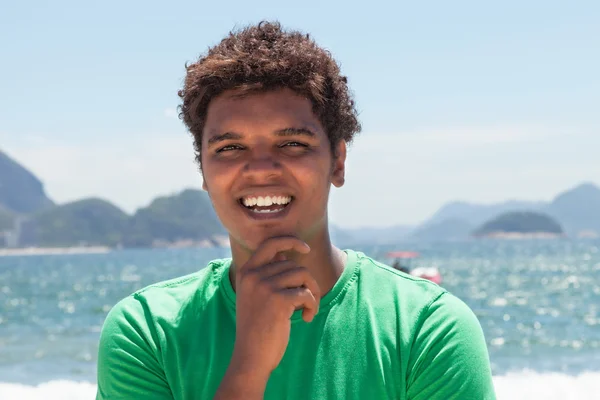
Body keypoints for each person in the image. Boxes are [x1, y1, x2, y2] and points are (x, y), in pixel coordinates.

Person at [96, 21, 496, 399]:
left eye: (292, 144)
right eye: (230, 148)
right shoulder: (147, 331)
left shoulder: (427, 327)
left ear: (337, 162)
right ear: (203, 170)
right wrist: (250, 364)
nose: (261, 169)